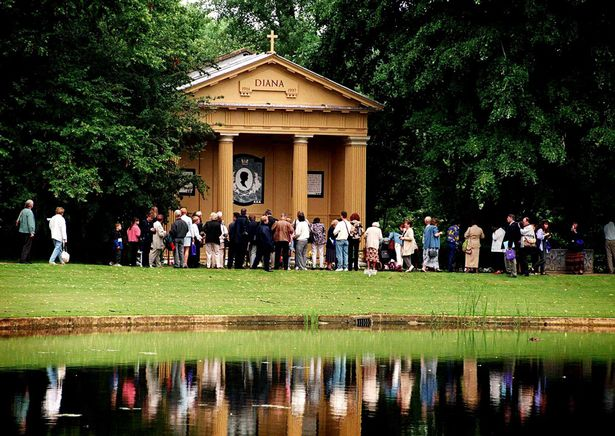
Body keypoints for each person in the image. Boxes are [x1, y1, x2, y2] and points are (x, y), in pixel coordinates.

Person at [16, 199, 35, 264]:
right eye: (32, 204)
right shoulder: (29, 212)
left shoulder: (23, 211)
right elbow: (30, 223)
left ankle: (28, 260)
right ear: (30, 205)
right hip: (27, 231)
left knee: (24, 245)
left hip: (21, 231)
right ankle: (23, 260)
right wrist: (32, 232)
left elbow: (18, 220)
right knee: (27, 246)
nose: (33, 205)